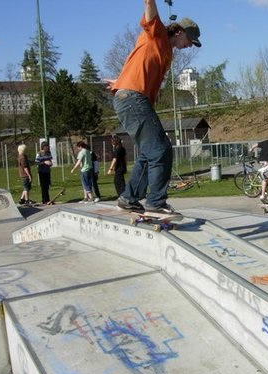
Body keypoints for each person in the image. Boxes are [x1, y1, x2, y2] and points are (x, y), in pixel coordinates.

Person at [107, 0, 201, 218]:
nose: (189, 45)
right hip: (133, 99)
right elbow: (150, 11)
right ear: (178, 31)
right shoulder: (157, 34)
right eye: (189, 39)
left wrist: (120, 82)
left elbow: (136, 64)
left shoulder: (166, 51)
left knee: (149, 154)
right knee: (161, 150)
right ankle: (156, 203)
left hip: (130, 97)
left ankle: (129, 199)